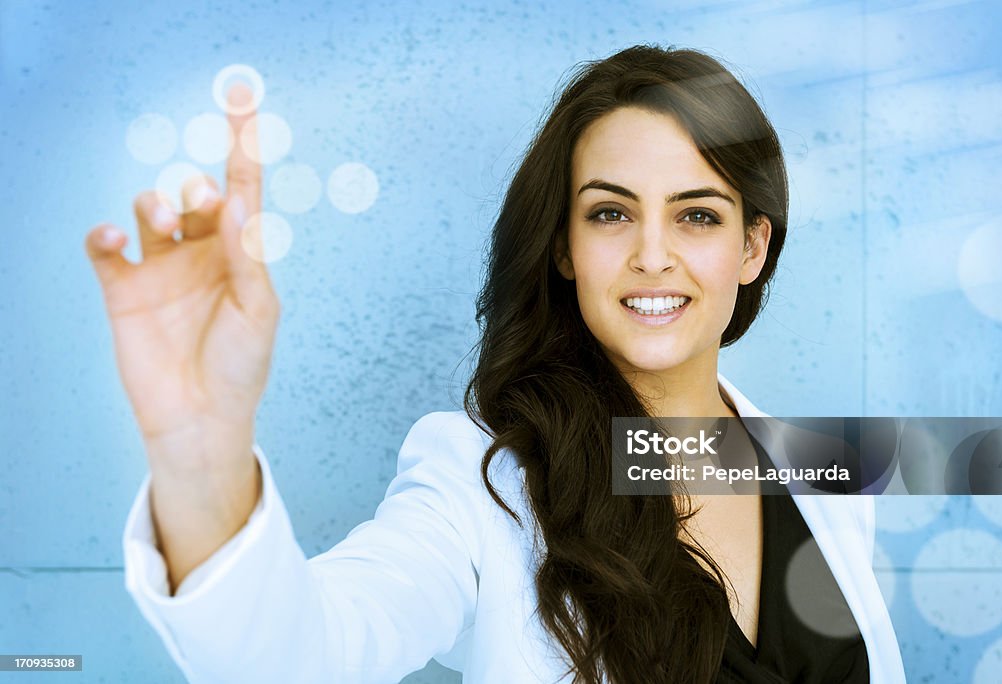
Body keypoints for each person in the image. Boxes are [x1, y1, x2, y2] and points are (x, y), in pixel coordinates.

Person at [85, 45, 907, 683]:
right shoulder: (483, 483)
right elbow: (296, 651)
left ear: (752, 247)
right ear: (563, 247)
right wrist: (203, 452)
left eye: (697, 215)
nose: (654, 256)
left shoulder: (822, 463)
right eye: (611, 213)